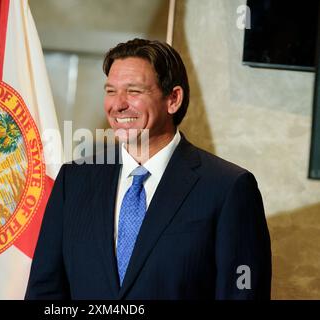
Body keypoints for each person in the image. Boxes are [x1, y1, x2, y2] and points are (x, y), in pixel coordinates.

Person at [25, 38, 272, 300]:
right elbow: (45, 290)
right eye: (110, 91)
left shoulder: (228, 187)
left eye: (133, 91)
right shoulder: (74, 180)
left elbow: (242, 295)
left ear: (173, 99)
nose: (117, 104)